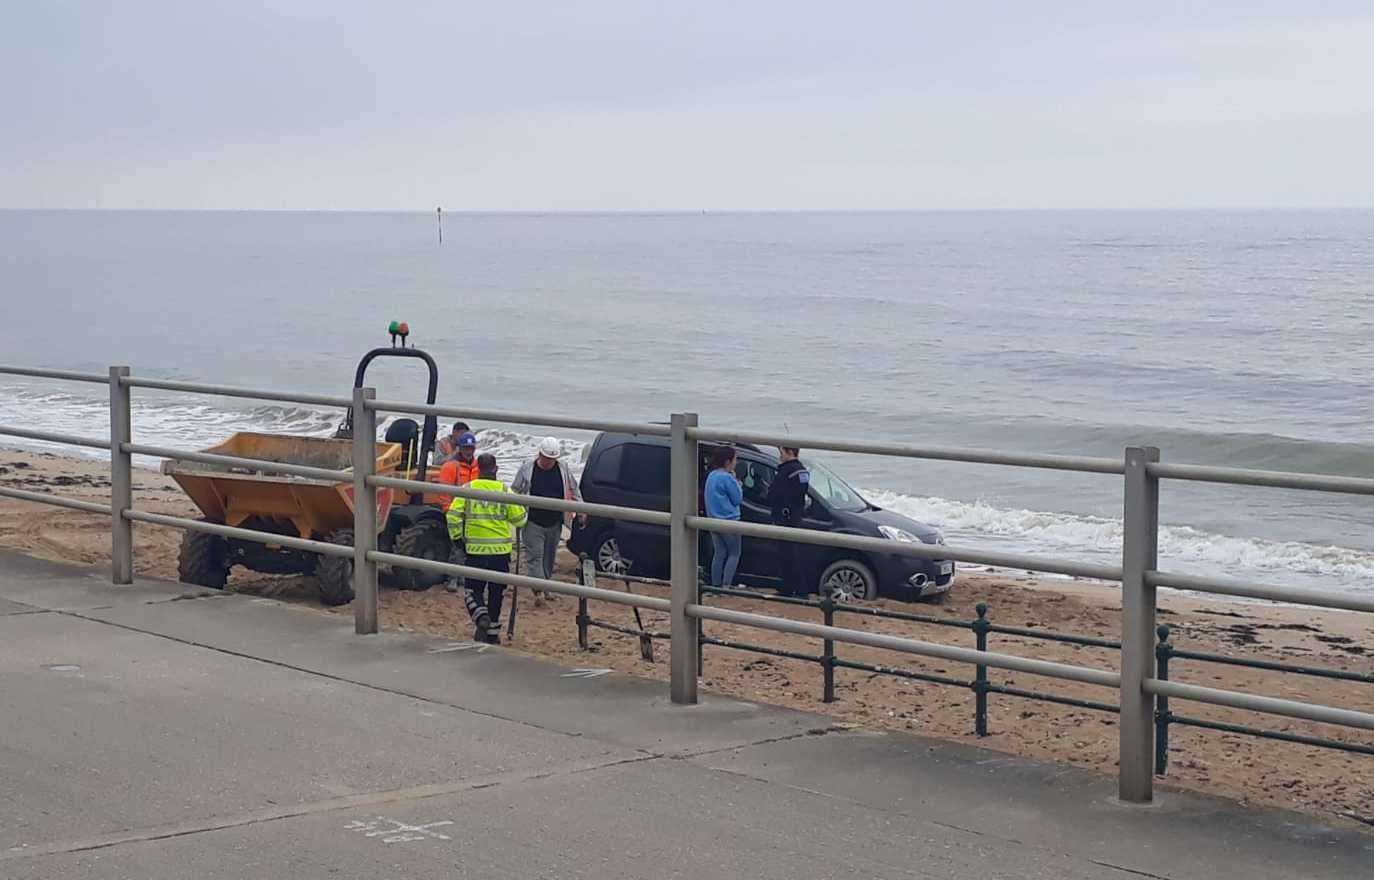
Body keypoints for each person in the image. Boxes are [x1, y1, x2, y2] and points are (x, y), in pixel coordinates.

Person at [446, 453, 527, 644]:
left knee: (472, 590)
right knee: (496, 594)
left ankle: (480, 617)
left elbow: (452, 515)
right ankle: (491, 634)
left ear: (478, 469)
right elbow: (521, 519)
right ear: (496, 469)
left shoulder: (468, 489)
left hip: (475, 551)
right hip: (501, 553)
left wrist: (457, 538)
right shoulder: (504, 491)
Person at [511, 437, 584, 601]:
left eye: (552, 459)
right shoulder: (527, 468)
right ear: (540, 455)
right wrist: (515, 512)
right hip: (532, 521)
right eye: (546, 458)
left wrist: (581, 509)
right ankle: (538, 591)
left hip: (554, 521)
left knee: (548, 558)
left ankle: (545, 586)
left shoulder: (563, 469)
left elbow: (573, 489)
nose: (549, 462)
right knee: (534, 556)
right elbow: (515, 490)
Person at [767, 445, 811, 597]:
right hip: (796, 517)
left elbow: (775, 494)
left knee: (787, 555)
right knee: (793, 554)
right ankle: (795, 589)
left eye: (781, 452)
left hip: (784, 518)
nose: (780, 456)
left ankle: (792, 589)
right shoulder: (802, 470)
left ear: (789, 452)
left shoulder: (786, 471)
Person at [704, 445, 743, 588]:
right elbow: (737, 499)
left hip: (713, 521)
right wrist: (739, 485)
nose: (736, 462)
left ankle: (716, 585)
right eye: (735, 459)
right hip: (730, 521)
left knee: (719, 553)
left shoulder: (711, 476)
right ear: (728, 462)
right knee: (734, 553)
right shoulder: (728, 478)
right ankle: (726, 585)